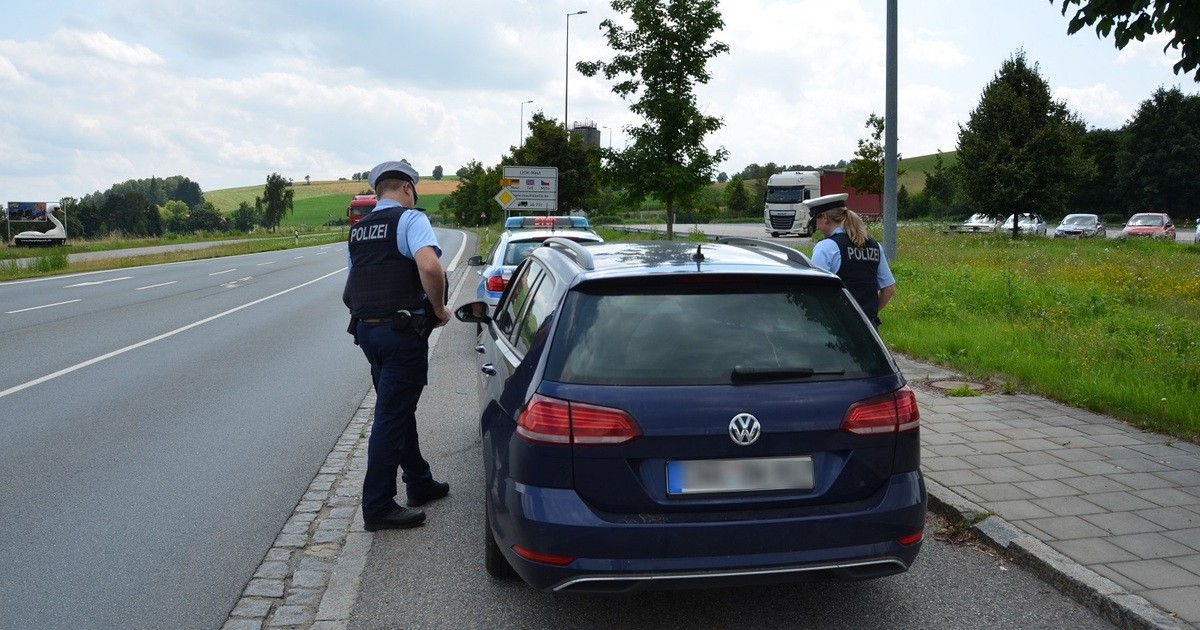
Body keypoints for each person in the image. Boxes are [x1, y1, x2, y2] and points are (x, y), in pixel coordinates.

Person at [343, 160, 452, 531]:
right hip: (402, 333)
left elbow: (352, 283)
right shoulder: (410, 220)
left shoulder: (358, 231)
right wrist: (438, 309)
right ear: (407, 189)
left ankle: (419, 482)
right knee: (391, 416)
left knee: (397, 408)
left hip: (367, 333)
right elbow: (431, 268)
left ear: (378, 192)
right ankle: (377, 505)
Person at [807, 194, 895, 327]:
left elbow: (814, 291)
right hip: (868, 329)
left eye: (816, 221)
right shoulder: (874, 245)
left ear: (824, 217)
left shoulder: (826, 247)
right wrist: (865, 316)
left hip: (837, 326)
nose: (817, 227)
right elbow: (889, 289)